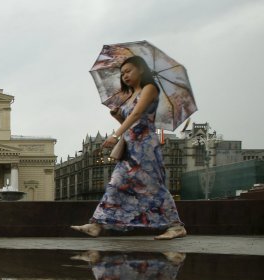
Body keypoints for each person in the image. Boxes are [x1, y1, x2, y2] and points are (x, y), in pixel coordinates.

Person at [71, 56, 187, 240]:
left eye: (128, 71)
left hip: (145, 145)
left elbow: (138, 114)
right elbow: (129, 120)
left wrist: (115, 134)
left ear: (141, 69)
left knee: (154, 185)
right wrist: (117, 116)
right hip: (130, 145)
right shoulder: (129, 96)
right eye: (122, 73)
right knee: (116, 183)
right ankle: (96, 224)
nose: (124, 76)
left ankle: (176, 226)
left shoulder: (150, 88)